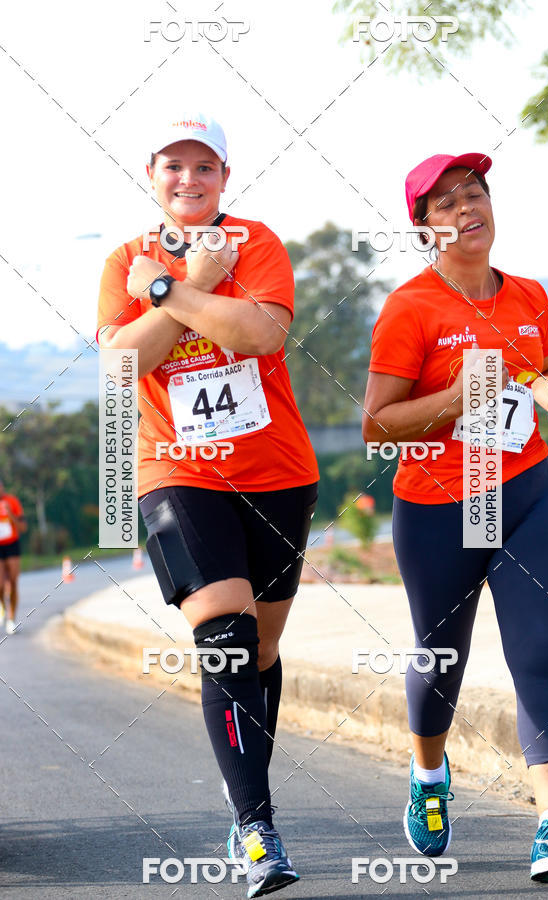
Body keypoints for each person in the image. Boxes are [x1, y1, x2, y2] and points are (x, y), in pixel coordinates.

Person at [97, 114, 318, 898]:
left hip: (277, 474)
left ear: (225, 175)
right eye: (173, 165)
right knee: (225, 638)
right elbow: (121, 364)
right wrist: (189, 288)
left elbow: (260, 335)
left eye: (203, 167)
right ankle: (258, 829)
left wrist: (165, 291)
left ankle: (245, 799)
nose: (187, 179)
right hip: (176, 471)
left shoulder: (256, 243)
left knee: (260, 652)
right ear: (151, 173)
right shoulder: (124, 258)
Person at [363, 152, 548, 883]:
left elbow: (546, 369)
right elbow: (377, 422)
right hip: (439, 505)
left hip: (524, 489)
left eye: (475, 193)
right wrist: (458, 398)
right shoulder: (410, 309)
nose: (467, 208)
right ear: (424, 230)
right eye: (446, 203)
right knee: (441, 659)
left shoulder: (528, 294)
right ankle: (428, 774)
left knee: (538, 648)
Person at [0, 480, 26, 635]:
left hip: (12, 545)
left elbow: (23, 527)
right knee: (0, 585)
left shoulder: (12, 502)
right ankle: (2, 607)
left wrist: (10, 515)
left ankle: (11, 619)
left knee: (13, 582)